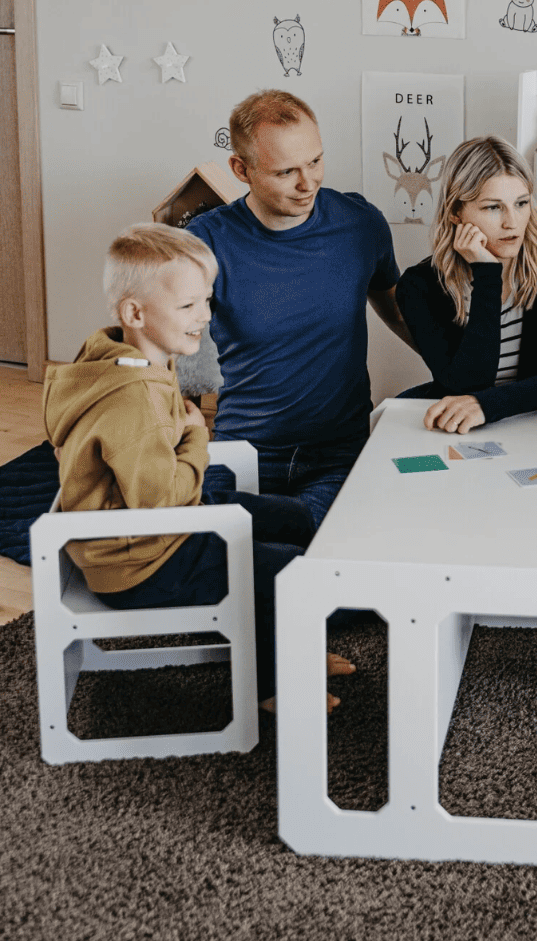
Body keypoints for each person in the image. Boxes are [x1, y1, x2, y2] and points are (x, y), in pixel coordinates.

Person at [42, 224, 354, 714]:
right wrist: (196, 439)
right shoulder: (133, 397)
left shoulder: (123, 356)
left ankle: (296, 638)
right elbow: (163, 502)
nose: (204, 316)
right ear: (135, 313)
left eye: (206, 300)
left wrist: (182, 443)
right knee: (285, 570)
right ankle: (273, 686)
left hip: (153, 523)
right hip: (142, 559)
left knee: (294, 518)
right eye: (187, 305)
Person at [187, 89, 414, 529]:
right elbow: (170, 348)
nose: (308, 183)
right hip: (243, 449)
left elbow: (401, 315)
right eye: (286, 171)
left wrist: (473, 382)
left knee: (304, 539)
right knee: (207, 546)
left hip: (337, 454)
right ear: (241, 169)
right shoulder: (205, 242)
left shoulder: (360, 224)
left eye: (315, 161)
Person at [395, 136, 537, 433]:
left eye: (521, 203)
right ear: (455, 212)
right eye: (493, 208)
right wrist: (487, 274)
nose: (512, 222)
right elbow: (465, 385)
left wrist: (489, 406)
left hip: (532, 421)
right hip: (462, 426)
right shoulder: (419, 286)